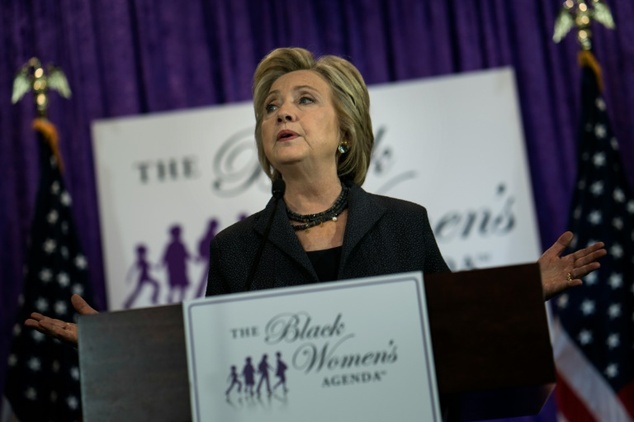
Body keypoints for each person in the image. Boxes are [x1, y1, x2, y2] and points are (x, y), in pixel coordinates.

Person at [25, 47, 607, 344]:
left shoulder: (404, 224)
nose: (283, 112)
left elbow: (452, 327)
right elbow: (210, 355)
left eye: (304, 99)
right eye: (271, 107)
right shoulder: (236, 249)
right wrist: (115, 350)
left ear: (345, 128)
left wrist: (524, 291)